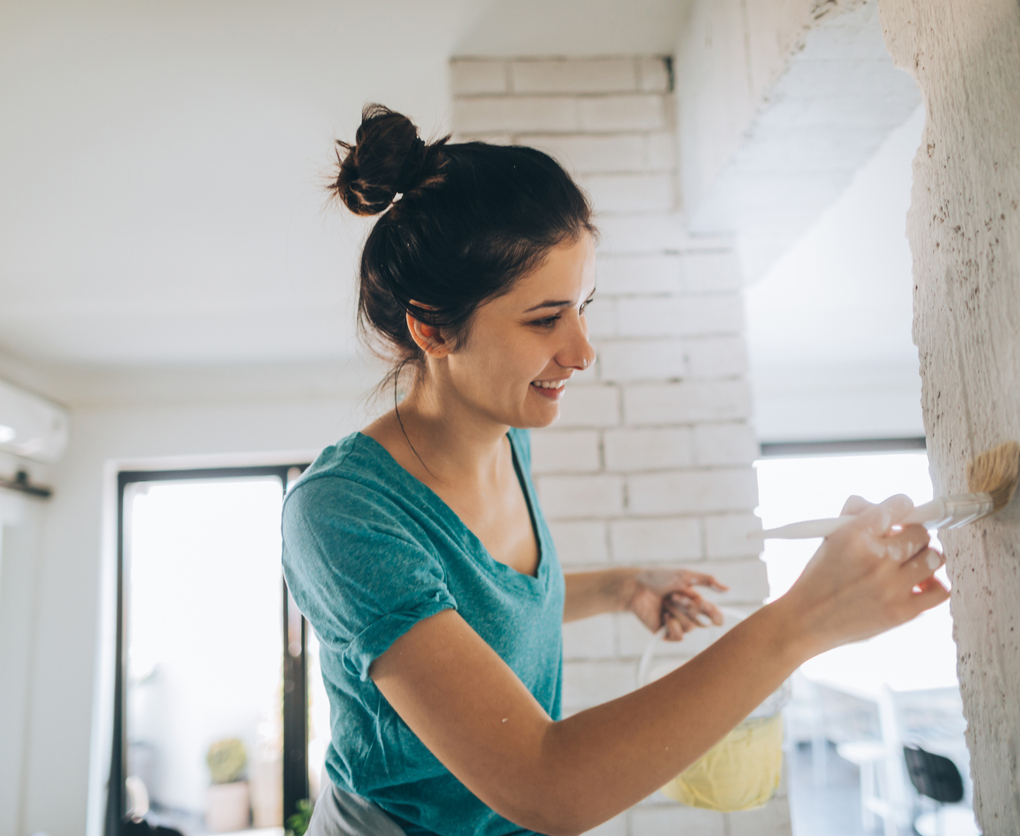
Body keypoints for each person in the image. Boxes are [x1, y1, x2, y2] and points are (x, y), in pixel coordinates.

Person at [281, 104, 948, 836]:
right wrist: (804, 620)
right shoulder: (342, 513)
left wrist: (623, 587)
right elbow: (547, 783)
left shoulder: (508, 436)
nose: (582, 351)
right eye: (545, 319)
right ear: (433, 327)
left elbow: (475, 608)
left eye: (583, 307)